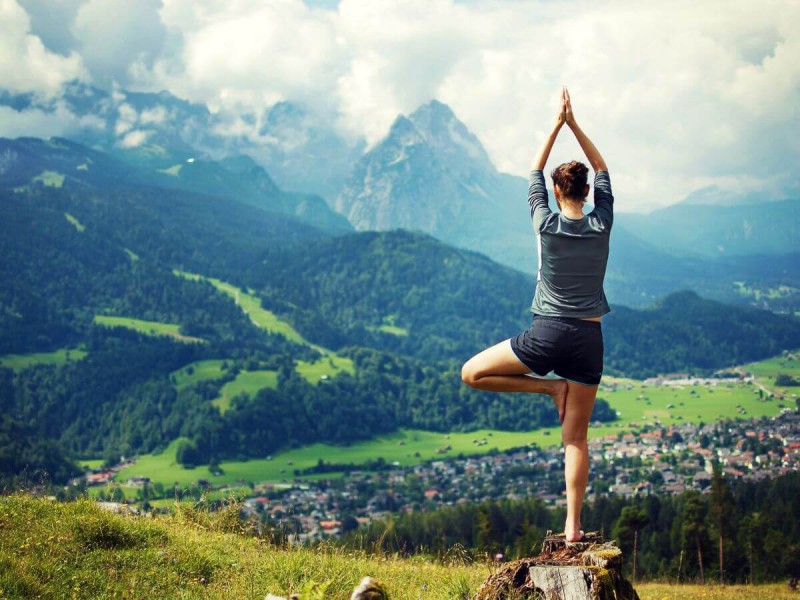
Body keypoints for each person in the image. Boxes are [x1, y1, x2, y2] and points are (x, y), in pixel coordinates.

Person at [461, 87, 613, 543]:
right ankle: (572, 528)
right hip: (588, 341)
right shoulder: (602, 221)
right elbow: (604, 167)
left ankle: (548, 388)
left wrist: (556, 123)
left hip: (546, 335)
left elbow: (533, 169)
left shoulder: (544, 223)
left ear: (553, 190)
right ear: (587, 191)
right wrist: (575, 124)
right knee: (576, 441)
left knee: (472, 373)